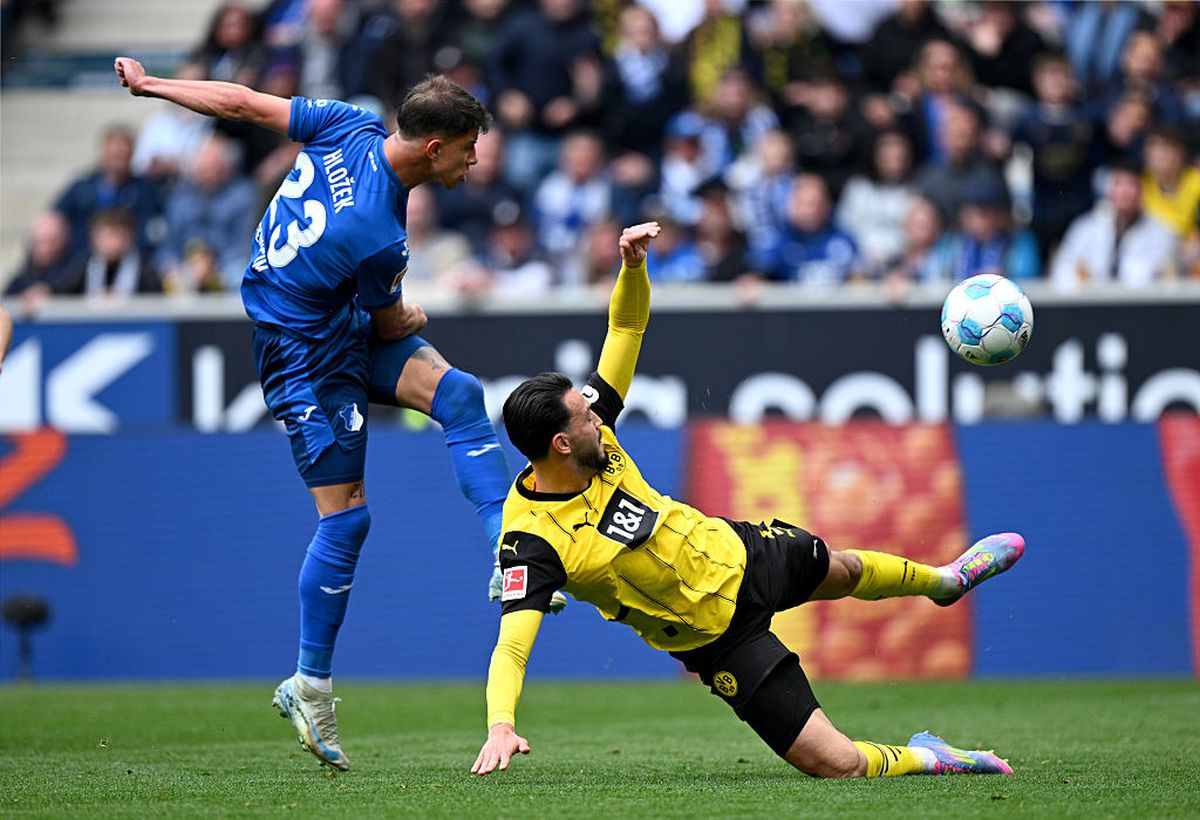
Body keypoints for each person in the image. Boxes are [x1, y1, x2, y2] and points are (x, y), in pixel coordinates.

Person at [472, 222, 1024, 779]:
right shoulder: (531, 541)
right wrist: (501, 723)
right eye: (586, 415)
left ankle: (945, 582)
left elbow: (626, 326)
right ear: (561, 444)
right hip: (718, 640)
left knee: (843, 569)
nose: (598, 411)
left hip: (738, 552)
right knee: (838, 766)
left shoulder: (592, 433)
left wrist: (633, 267)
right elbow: (512, 646)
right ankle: (933, 756)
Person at [114, 56, 529, 771]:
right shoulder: (377, 234)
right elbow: (393, 323)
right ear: (435, 147)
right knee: (346, 518)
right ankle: (311, 685)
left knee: (459, 394)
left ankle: (507, 548)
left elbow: (242, 102)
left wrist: (155, 86)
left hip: (330, 320)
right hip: (304, 353)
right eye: (467, 150)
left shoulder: (351, 125)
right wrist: (412, 307)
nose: (473, 163)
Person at [1050, 162, 1179, 291]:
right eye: (1118, 184)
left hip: (1141, 307)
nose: (1125, 192)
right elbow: (1061, 273)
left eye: (1131, 185)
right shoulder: (1085, 229)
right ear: (1109, 190)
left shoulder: (1162, 234)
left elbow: (1168, 285)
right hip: (1091, 307)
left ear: (1142, 190)